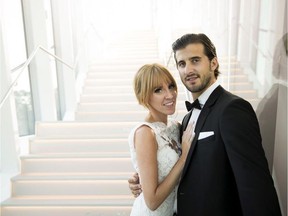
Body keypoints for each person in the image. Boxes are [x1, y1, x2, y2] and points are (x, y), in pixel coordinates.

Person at [128, 33, 282, 216]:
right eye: (182, 64)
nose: (188, 70)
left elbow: (255, 185)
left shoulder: (232, 109)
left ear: (213, 63)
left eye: (195, 60)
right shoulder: (185, 121)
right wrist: (143, 180)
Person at [128, 63, 194, 215]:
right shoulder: (145, 133)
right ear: (144, 96)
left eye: (171, 86)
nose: (170, 95)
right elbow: (152, 202)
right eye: (158, 90)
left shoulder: (176, 127)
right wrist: (183, 159)